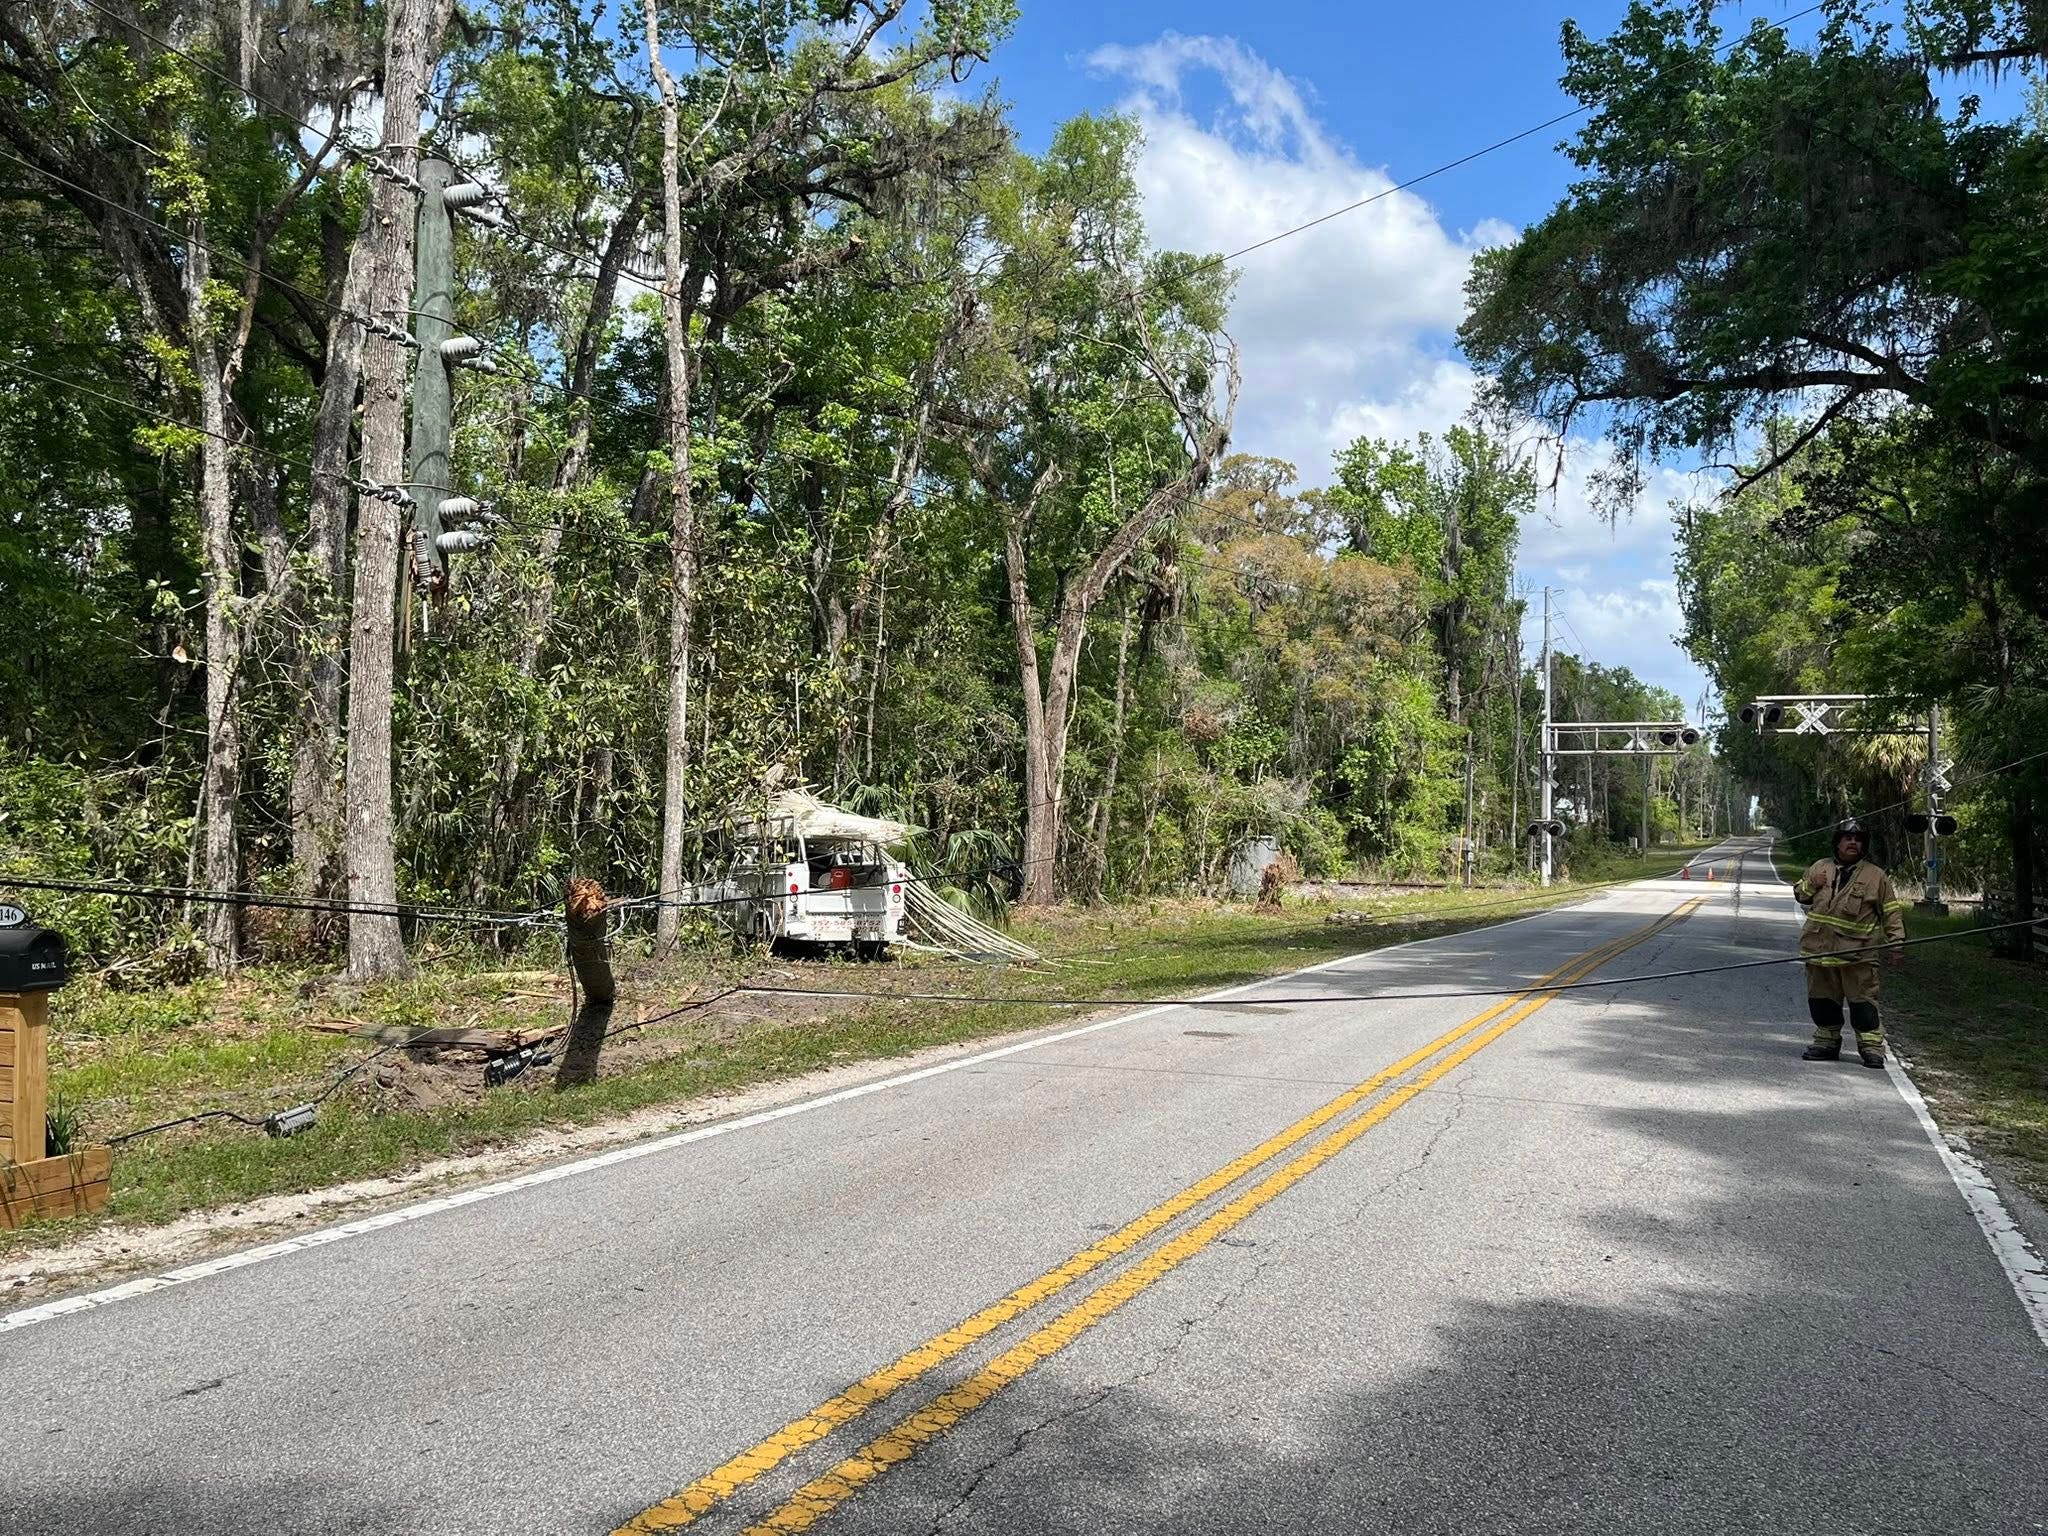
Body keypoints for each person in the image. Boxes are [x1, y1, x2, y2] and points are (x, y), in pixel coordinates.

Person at [1793, 817, 1907, 1067]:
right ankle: (1826, 1043)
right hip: (1818, 953)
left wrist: (1896, 943)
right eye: (1848, 838)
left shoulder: (1875, 876)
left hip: (1859, 956)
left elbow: (1891, 911)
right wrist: (1813, 883)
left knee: (1863, 1004)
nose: (1853, 843)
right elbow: (1801, 894)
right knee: (1822, 1002)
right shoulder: (1819, 868)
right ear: (1838, 843)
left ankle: (1871, 1048)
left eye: (1858, 839)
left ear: (1863, 845)